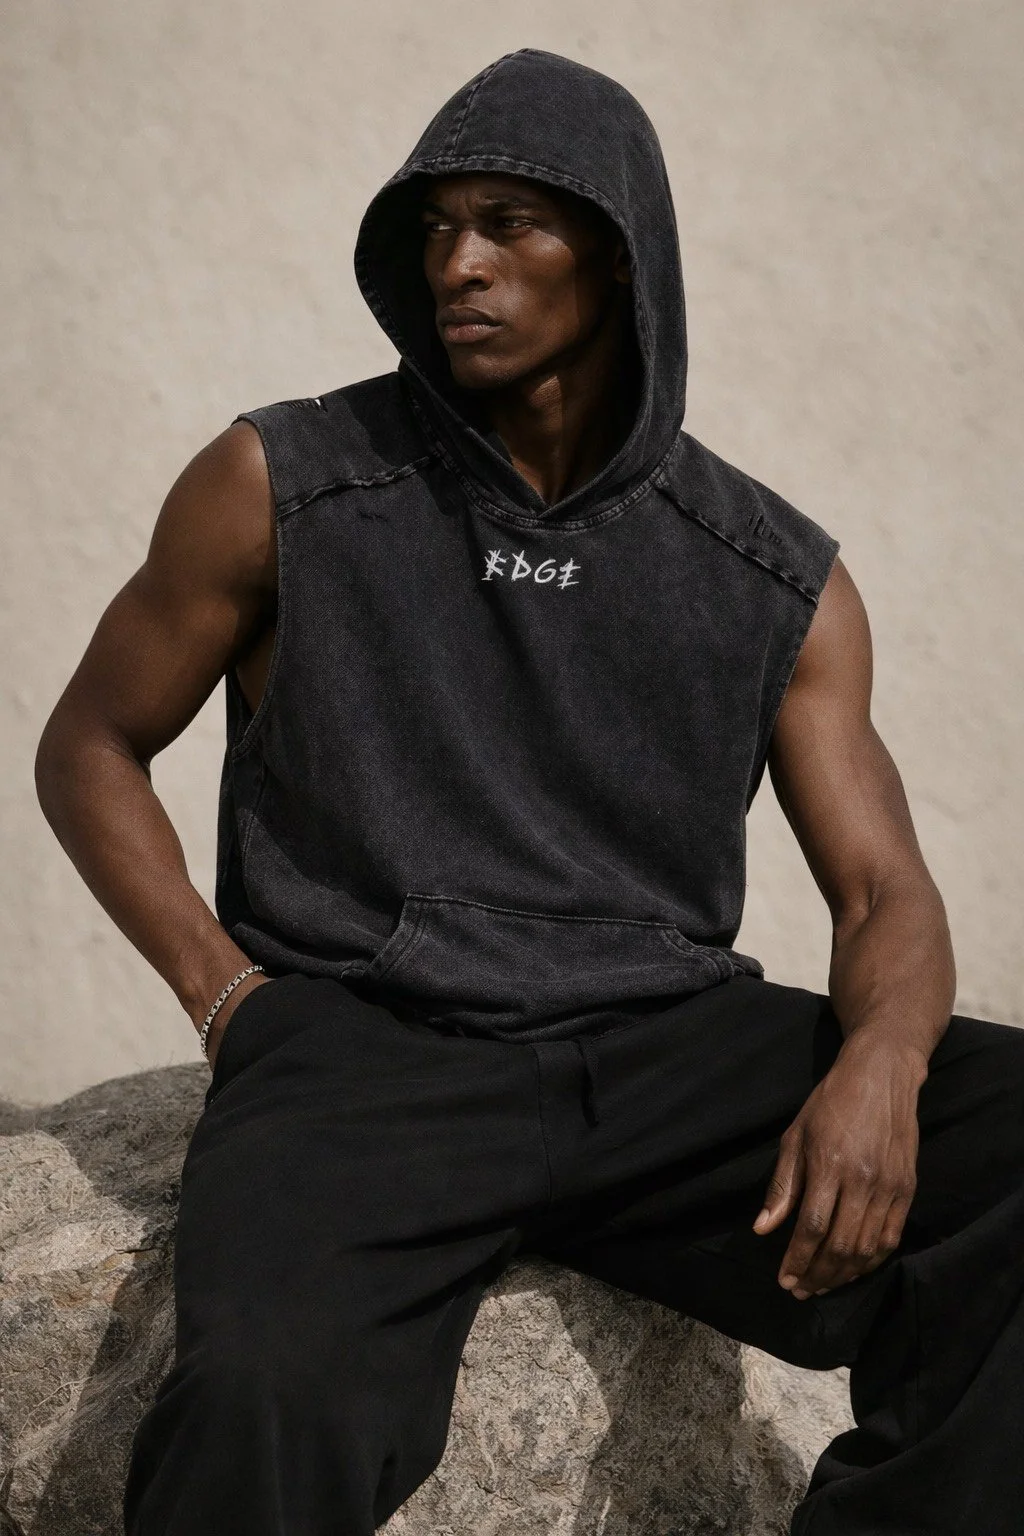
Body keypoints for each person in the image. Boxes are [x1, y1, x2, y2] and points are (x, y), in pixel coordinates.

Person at [33, 47, 1023, 1536]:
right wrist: (233, 1002)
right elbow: (90, 742)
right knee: (259, 1406)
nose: (462, 264)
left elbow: (884, 891)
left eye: (510, 224)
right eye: (438, 227)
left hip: (659, 1061)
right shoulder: (287, 481)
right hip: (370, 1057)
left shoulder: (770, 575)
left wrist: (881, 1069)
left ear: (619, 261)